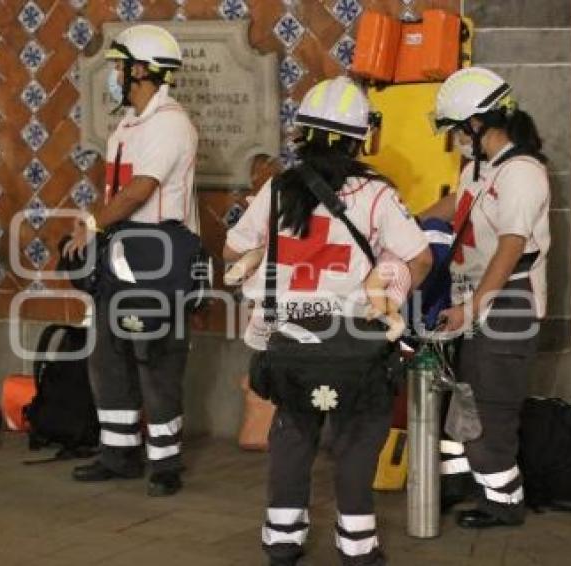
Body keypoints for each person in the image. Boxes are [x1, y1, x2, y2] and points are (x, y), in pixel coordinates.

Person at [224, 76, 432, 566]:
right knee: (359, 437)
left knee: (294, 433)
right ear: (361, 136)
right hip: (355, 339)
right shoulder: (378, 195)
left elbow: (233, 250)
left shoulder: (276, 189)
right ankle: (357, 547)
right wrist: (390, 288)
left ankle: (282, 540)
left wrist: (261, 254)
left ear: (303, 134)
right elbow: (419, 258)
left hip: (290, 340)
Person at [64, 24, 198, 497]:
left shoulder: (169, 122)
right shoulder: (129, 123)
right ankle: (118, 452)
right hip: (122, 253)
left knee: (156, 359)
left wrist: (92, 224)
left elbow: (142, 189)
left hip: (157, 253)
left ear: (141, 70)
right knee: (109, 354)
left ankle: (165, 463)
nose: (115, 75)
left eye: (120, 66)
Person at [421, 66, 551, 528]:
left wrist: (473, 307)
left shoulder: (522, 172)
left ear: (477, 125)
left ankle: (504, 501)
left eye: (457, 130)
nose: (454, 139)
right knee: (463, 396)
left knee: (493, 403)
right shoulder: (480, 168)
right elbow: (452, 207)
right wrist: (405, 223)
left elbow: (512, 246)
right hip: (473, 295)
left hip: (507, 301)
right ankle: (460, 481)